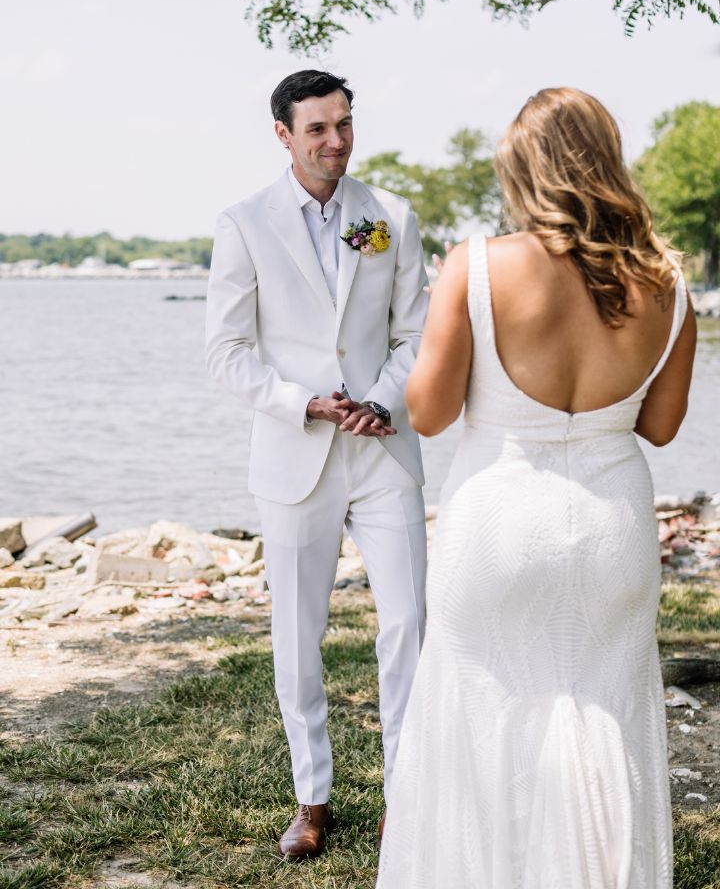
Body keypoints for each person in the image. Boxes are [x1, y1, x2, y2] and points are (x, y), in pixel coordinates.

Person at [377, 87, 696, 888]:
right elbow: (659, 428)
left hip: (499, 520)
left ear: (525, 169)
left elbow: (429, 411)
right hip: (611, 530)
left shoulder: (478, 265)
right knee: (604, 723)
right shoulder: (668, 284)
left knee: (478, 720)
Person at [205, 70, 428, 860]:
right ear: (283, 136)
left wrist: (380, 398)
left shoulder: (391, 217)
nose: (335, 141)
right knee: (297, 636)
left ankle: (406, 797)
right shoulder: (243, 224)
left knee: (408, 624)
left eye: (344, 124)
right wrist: (303, 401)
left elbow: (416, 335)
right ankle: (313, 799)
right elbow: (226, 355)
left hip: (382, 451)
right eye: (317, 130)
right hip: (295, 453)